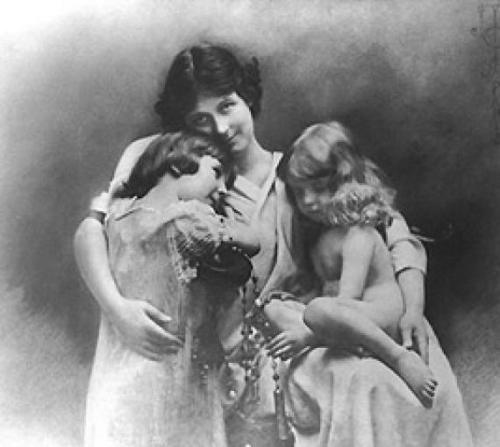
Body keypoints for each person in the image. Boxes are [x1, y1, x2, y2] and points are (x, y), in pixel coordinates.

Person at [74, 43, 469, 446]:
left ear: (246, 97)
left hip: (280, 339)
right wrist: (116, 308)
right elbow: (96, 228)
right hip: (196, 347)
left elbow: (386, 223)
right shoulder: (169, 166)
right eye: (201, 119)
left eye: (227, 106)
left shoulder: (294, 175)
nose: (220, 128)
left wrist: (413, 303)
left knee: (381, 381)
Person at [84, 131, 259, 447]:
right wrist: (228, 213)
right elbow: (252, 241)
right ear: (178, 162)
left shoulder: (118, 216)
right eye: (216, 173)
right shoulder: (188, 220)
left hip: (121, 380)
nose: (221, 190)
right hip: (173, 381)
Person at [267, 121, 437, 408]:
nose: (307, 201)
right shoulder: (320, 232)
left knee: (318, 311)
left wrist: (309, 337)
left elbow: (346, 301)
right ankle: (350, 341)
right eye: (299, 192)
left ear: (343, 181)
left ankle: (398, 357)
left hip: (384, 316)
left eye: (318, 189)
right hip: (355, 315)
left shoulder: (361, 231)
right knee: (277, 305)